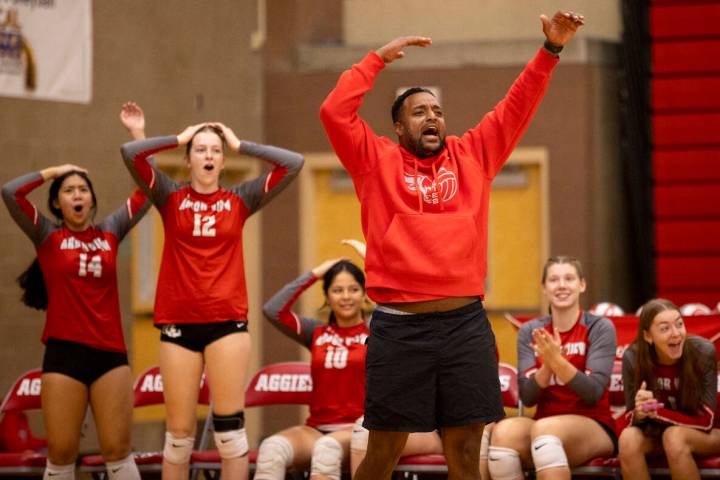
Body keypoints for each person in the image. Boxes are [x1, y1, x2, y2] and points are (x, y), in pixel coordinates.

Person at [319, 10, 585, 480]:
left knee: (465, 452)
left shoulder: (473, 155)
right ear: (399, 129)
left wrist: (551, 50)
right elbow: (334, 111)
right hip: (400, 329)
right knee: (381, 452)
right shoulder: (374, 161)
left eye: (437, 112)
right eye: (419, 111)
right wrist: (376, 60)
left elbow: (516, 105)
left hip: (464, 325)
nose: (432, 118)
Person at [120, 118, 303, 480]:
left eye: (215, 151)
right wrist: (178, 137)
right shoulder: (170, 196)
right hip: (178, 326)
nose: (208, 155)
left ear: (222, 162)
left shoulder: (240, 199)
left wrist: (239, 144)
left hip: (227, 325)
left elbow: (293, 163)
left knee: (231, 437)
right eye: (200, 150)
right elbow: (131, 155)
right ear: (188, 160)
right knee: (178, 439)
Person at [1, 103, 151, 480]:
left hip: (110, 354)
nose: (77, 195)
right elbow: (11, 192)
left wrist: (138, 135)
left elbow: (147, 190)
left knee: (118, 451)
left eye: (82, 189)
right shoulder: (48, 237)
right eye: (68, 190)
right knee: (62, 453)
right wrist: (57, 170)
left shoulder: (110, 233)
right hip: (64, 355)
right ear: (57, 202)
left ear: (91, 199)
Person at [486, 256, 617, 480]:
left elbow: (593, 392)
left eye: (569, 278)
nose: (562, 285)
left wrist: (557, 362)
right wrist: (547, 366)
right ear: (544, 288)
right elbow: (527, 397)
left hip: (595, 424)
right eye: (554, 280)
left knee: (545, 433)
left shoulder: (599, 327)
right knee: (502, 434)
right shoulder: (531, 331)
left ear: (582, 285)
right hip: (544, 424)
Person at [257, 254, 369, 480]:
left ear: (365, 294)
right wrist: (315, 274)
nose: (346, 296)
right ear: (327, 296)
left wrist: (372, 264)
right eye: (337, 290)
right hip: (316, 430)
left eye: (354, 289)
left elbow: (398, 302)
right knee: (271, 450)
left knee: (326, 450)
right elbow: (273, 309)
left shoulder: (375, 330)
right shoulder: (316, 332)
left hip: (360, 432)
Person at [618, 298, 720, 480]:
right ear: (648, 336)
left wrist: (656, 412)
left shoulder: (703, 352)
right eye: (664, 328)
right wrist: (640, 413)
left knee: (674, 437)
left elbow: (707, 421)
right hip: (659, 434)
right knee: (628, 439)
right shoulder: (633, 359)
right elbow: (629, 418)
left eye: (679, 325)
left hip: (709, 434)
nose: (676, 334)